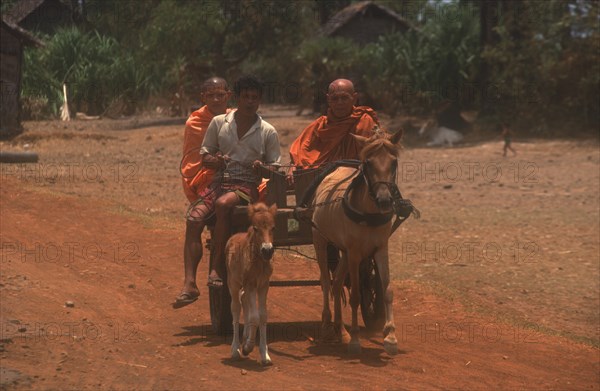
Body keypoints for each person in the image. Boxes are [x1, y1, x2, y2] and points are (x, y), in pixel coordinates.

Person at [174, 75, 281, 308]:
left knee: (223, 204)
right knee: (193, 219)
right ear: (238, 98)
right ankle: (189, 284)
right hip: (219, 182)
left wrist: (263, 168)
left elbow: (274, 167)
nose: (250, 102)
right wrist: (216, 161)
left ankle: (216, 269)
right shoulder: (218, 123)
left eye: (254, 98)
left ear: (259, 101)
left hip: (246, 187)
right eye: (246, 97)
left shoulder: (267, 131)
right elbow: (205, 157)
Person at [289, 78, 379, 170]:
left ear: (354, 98)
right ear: (328, 100)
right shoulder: (320, 125)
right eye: (334, 98)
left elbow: (376, 158)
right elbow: (299, 151)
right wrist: (293, 166)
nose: (339, 103)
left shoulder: (365, 122)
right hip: (321, 179)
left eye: (344, 98)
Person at [181, 77, 232, 203]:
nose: (216, 99)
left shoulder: (237, 118)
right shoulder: (194, 123)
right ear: (203, 98)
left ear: (228, 95)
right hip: (205, 176)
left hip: (238, 173)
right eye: (210, 96)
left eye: (220, 95)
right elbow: (193, 162)